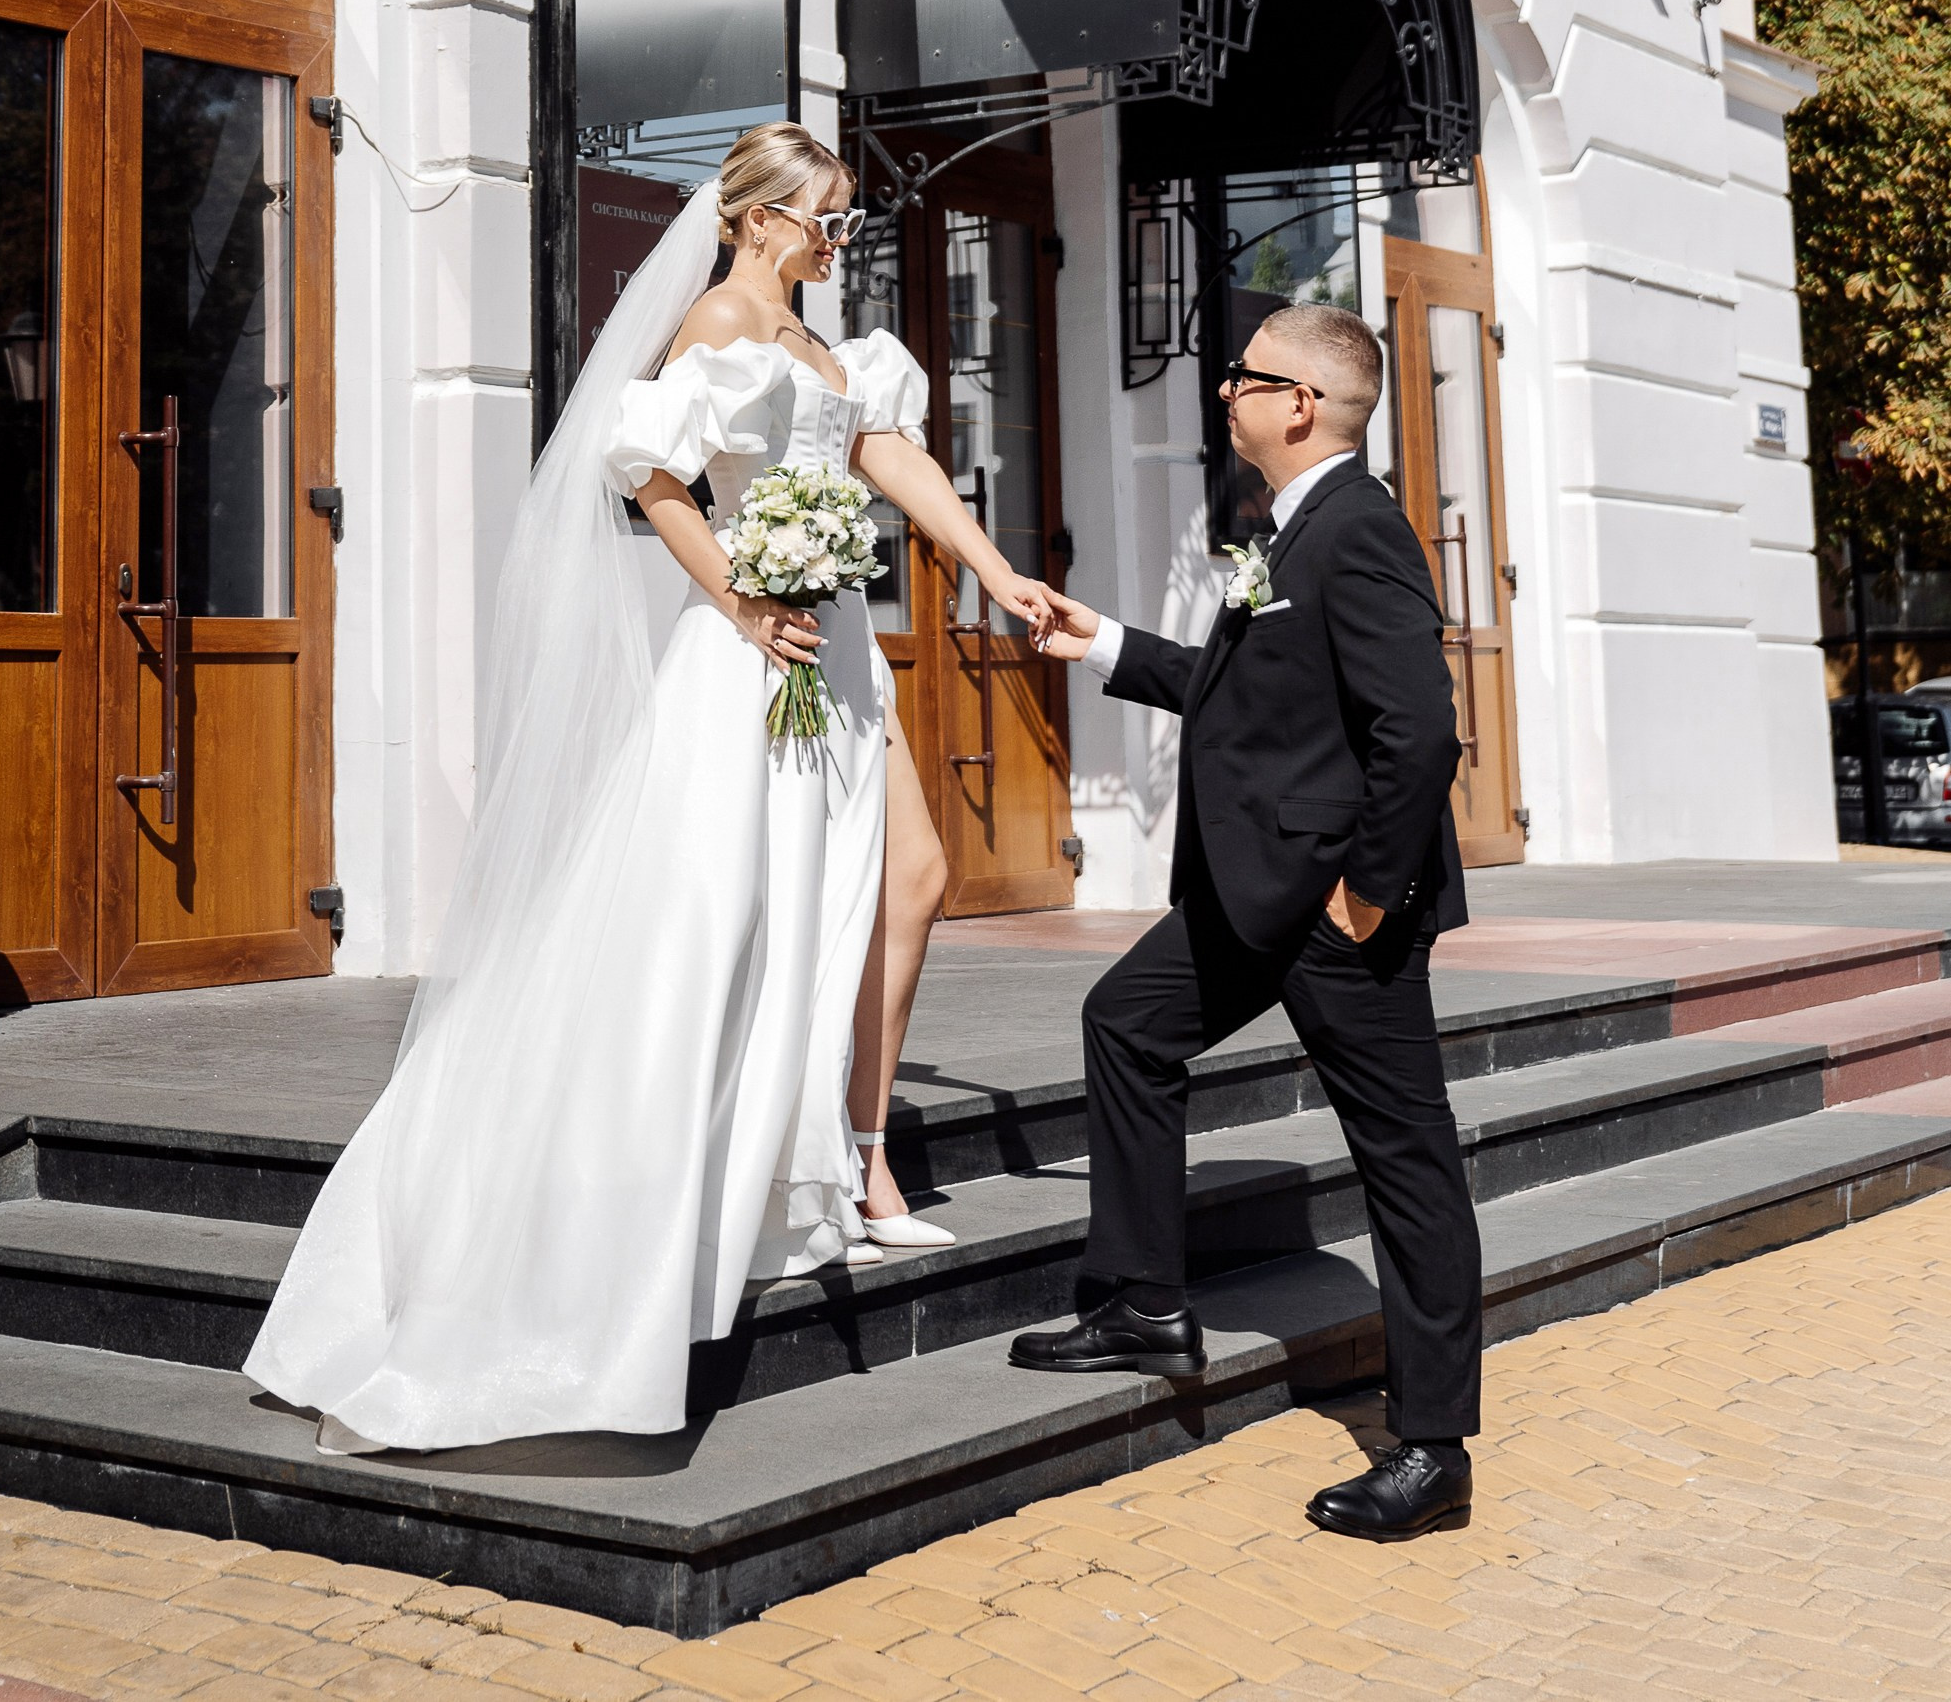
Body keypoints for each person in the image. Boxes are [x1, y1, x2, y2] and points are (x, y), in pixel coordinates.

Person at [245, 122, 1048, 1451]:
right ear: (757, 217)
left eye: (844, 221)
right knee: (718, 916)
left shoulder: (819, 344)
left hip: (841, 643)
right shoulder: (716, 322)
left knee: (908, 877)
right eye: (823, 221)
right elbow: (656, 476)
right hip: (760, 646)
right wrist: (737, 596)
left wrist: (991, 567)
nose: (837, 242)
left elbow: (884, 459)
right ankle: (706, 1175)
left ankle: (848, 1156)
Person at [1015, 301, 1481, 1544]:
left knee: (1406, 1160)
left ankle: (1430, 1450)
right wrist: (1100, 639)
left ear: (1302, 405)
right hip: (1256, 888)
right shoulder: (1284, 528)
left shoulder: (1358, 527)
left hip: (1341, 911)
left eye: (1243, 376)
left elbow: (1418, 729)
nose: (1224, 393)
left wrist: (1371, 891)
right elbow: (1243, 695)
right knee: (1124, 1020)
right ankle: (1141, 1301)